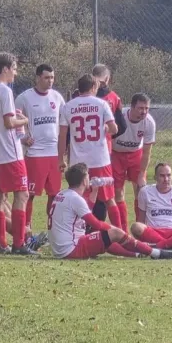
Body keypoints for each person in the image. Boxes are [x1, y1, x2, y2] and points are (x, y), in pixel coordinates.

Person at [47, 163, 172, 260]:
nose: (90, 177)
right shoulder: (75, 199)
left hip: (61, 248)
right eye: (88, 175)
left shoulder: (64, 194)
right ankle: (155, 253)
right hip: (71, 249)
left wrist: (94, 192)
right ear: (84, 180)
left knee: (104, 238)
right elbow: (95, 223)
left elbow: (85, 209)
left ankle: (137, 253)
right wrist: (115, 230)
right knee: (112, 233)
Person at [0, 52, 36, 255]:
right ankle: (19, 244)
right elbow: (9, 122)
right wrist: (25, 120)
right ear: (4, 69)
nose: (15, 72)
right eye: (14, 67)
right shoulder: (4, 91)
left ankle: (1, 244)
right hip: (9, 152)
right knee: (22, 194)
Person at [58, 74, 122, 228]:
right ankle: (121, 233)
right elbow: (114, 129)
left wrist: (61, 158)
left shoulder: (68, 106)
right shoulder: (101, 104)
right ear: (93, 87)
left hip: (78, 161)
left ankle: (77, 231)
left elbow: (62, 135)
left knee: (79, 197)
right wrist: (106, 128)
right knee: (109, 198)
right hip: (100, 159)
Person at [14, 64, 66, 229]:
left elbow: (64, 122)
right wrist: (22, 138)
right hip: (35, 154)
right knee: (29, 194)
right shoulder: (24, 98)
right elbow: (13, 120)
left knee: (55, 195)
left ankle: (53, 229)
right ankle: (26, 229)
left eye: (52, 77)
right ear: (37, 78)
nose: (50, 81)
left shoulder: (57, 97)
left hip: (54, 154)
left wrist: (63, 154)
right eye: (46, 77)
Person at [87, 64, 127, 226]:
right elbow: (122, 126)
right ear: (108, 78)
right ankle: (114, 231)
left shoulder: (80, 95)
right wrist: (107, 135)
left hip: (81, 151)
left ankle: (88, 228)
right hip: (103, 151)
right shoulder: (113, 98)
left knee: (84, 191)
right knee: (105, 194)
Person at [112, 93, 156, 232]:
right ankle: (122, 231)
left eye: (146, 108)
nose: (143, 112)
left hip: (136, 154)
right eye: (140, 108)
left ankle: (140, 229)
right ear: (131, 107)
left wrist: (142, 173)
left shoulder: (149, 122)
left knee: (140, 191)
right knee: (118, 193)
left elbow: (147, 151)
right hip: (116, 154)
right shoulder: (119, 116)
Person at [130, 163, 172, 249]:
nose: (166, 179)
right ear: (155, 177)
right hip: (154, 232)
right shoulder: (145, 192)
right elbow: (141, 219)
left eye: (169, 175)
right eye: (162, 176)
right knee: (136, 227)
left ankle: (159, 246)